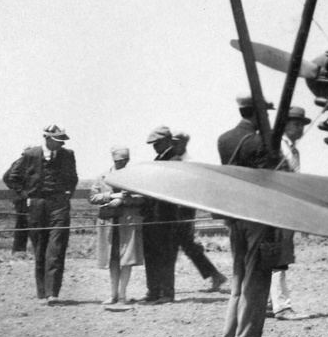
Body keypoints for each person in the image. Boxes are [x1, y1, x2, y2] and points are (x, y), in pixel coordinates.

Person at [218, 94, 282, 337]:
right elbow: (269, 178)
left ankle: (228, 335)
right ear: (257, 114)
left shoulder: (224, 139)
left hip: (235, 216)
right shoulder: (260, 142)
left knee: (238, 275)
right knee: (257, 276)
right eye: (264, 113)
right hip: (257, 215)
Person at [5, 125, 78, 304]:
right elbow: (11, 177)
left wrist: (67, 194)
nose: (61, 144)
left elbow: (73, 178)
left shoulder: (68, 155)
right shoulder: (30, 155)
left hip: (59, 205)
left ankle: (53, 293)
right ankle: (42, 293)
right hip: (37, 205)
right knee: (40, 247)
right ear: (47, 138)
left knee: (57, 246)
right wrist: (25, 195)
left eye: (62, 141)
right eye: (58, 140)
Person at [168, 132, 227, 292]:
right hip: (174, 207)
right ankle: (215, 275)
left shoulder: (190, 163)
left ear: (183, 144)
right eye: (172, 143)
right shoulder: (173, 161)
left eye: (176, 143)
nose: (173, 146)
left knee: (181, 244)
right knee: (186, 245)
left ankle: (167, 286)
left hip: (185, 209)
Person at [268, 107, 311, 321]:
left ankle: (270, 303)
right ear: (285, 125)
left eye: (302, 124)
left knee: (279, 255)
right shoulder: (278, 147)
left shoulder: (294, 150)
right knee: (279, 257)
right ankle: (282, 306)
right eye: (296, 123)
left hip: (288, 207)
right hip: (278, 207)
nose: (300, 128)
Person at [90, 146, 145, 309]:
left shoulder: (134, 177)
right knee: (112, 259)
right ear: (113, 160)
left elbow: (141, 198)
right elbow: (93, 197)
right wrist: (110, 196)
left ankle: (122, 295)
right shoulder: (102, 177)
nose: (122, 164)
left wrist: (124, 200)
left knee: (126, 259)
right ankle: (112, 294)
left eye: (125, 161)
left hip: (127, 223)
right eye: (119, 161)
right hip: (109, 224)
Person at [139, 125, 187, 304]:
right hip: (152, 216)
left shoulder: (174, 160)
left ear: (167, 141)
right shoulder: (158, 159)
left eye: (157, 143)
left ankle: (166, 292)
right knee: (151, 254)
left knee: (165, 255)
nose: (154, 147)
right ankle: (153, 291)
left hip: (167, 216)